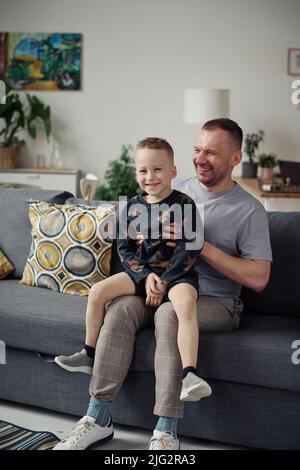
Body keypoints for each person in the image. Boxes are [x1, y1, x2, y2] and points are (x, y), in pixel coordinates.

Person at [53, 118, 272, 451]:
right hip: (157, 284)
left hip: (215, 300)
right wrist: (143, 265)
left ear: (235, 158)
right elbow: (131, 236)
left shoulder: (249, 210)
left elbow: (259, 278)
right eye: (198, 149)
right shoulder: (170, 187)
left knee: (169, 313)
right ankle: (97, 417)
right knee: (121, 307)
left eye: (212, 153)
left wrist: (202, 245)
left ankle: (166, 431)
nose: (201, 158)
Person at [55, 137, 211, 404]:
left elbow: (190, 250)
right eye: (143, 170)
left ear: (173, 171)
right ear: (136, 172)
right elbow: (125, 250)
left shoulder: (185, 205)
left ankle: (189, 375)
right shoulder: (131, 207)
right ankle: (89, 353)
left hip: (176, 275)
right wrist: (145, 276)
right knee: (97, 292)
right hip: (142, 274)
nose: (150, 176)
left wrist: (163, 280)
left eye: (157, 169)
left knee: (185, 303)